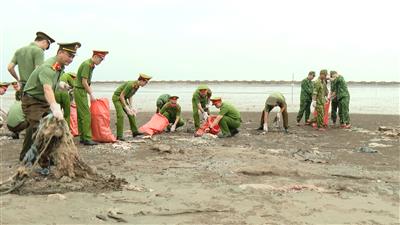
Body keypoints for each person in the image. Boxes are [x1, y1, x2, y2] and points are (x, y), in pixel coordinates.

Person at [20, 42, 81, 161]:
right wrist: (55, 107)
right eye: (69, 55)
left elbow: (51, 83)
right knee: (39, 127)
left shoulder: (59, 66)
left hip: (43, 101)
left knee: (51, 128)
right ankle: (29, 158)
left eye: (73, 56)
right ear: (60, 52)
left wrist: (60, 84)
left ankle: (43, 158)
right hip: (32, 100)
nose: (71, 59)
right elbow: (47, 88)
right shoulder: (48, 67)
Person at [74, 50, 109, 145]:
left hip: (80, 90)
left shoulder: (90, 65)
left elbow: (86, 82)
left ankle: (83, 137)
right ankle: (87, 138)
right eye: (100, 60)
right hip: (80, 90)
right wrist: (91, 94)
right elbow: (84, 82)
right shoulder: (87, 64)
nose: (100, 62)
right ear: (96, 56)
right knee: (86, 115)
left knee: (81, 115)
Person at [8, 32, 55, 98]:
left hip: (23, 88)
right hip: (34, 89)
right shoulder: (39, 51)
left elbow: (10, 67)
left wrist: (18, 80)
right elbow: (39, 70)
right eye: (46, 47)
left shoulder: (19, 51)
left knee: (25, 107)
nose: (44, 50)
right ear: (45, 42)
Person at [112, 73, 152, 141]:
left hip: (123, 99)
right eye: (145, 83)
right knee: (121, 115)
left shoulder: (137, 86)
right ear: (141, 80)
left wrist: (131, 107)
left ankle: (135, 132)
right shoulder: (131, 84)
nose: (145, 84)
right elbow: (121, 96)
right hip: (117, 98)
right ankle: (119, 136)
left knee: (131, 114)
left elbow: (130, 95)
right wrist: (126, 108)